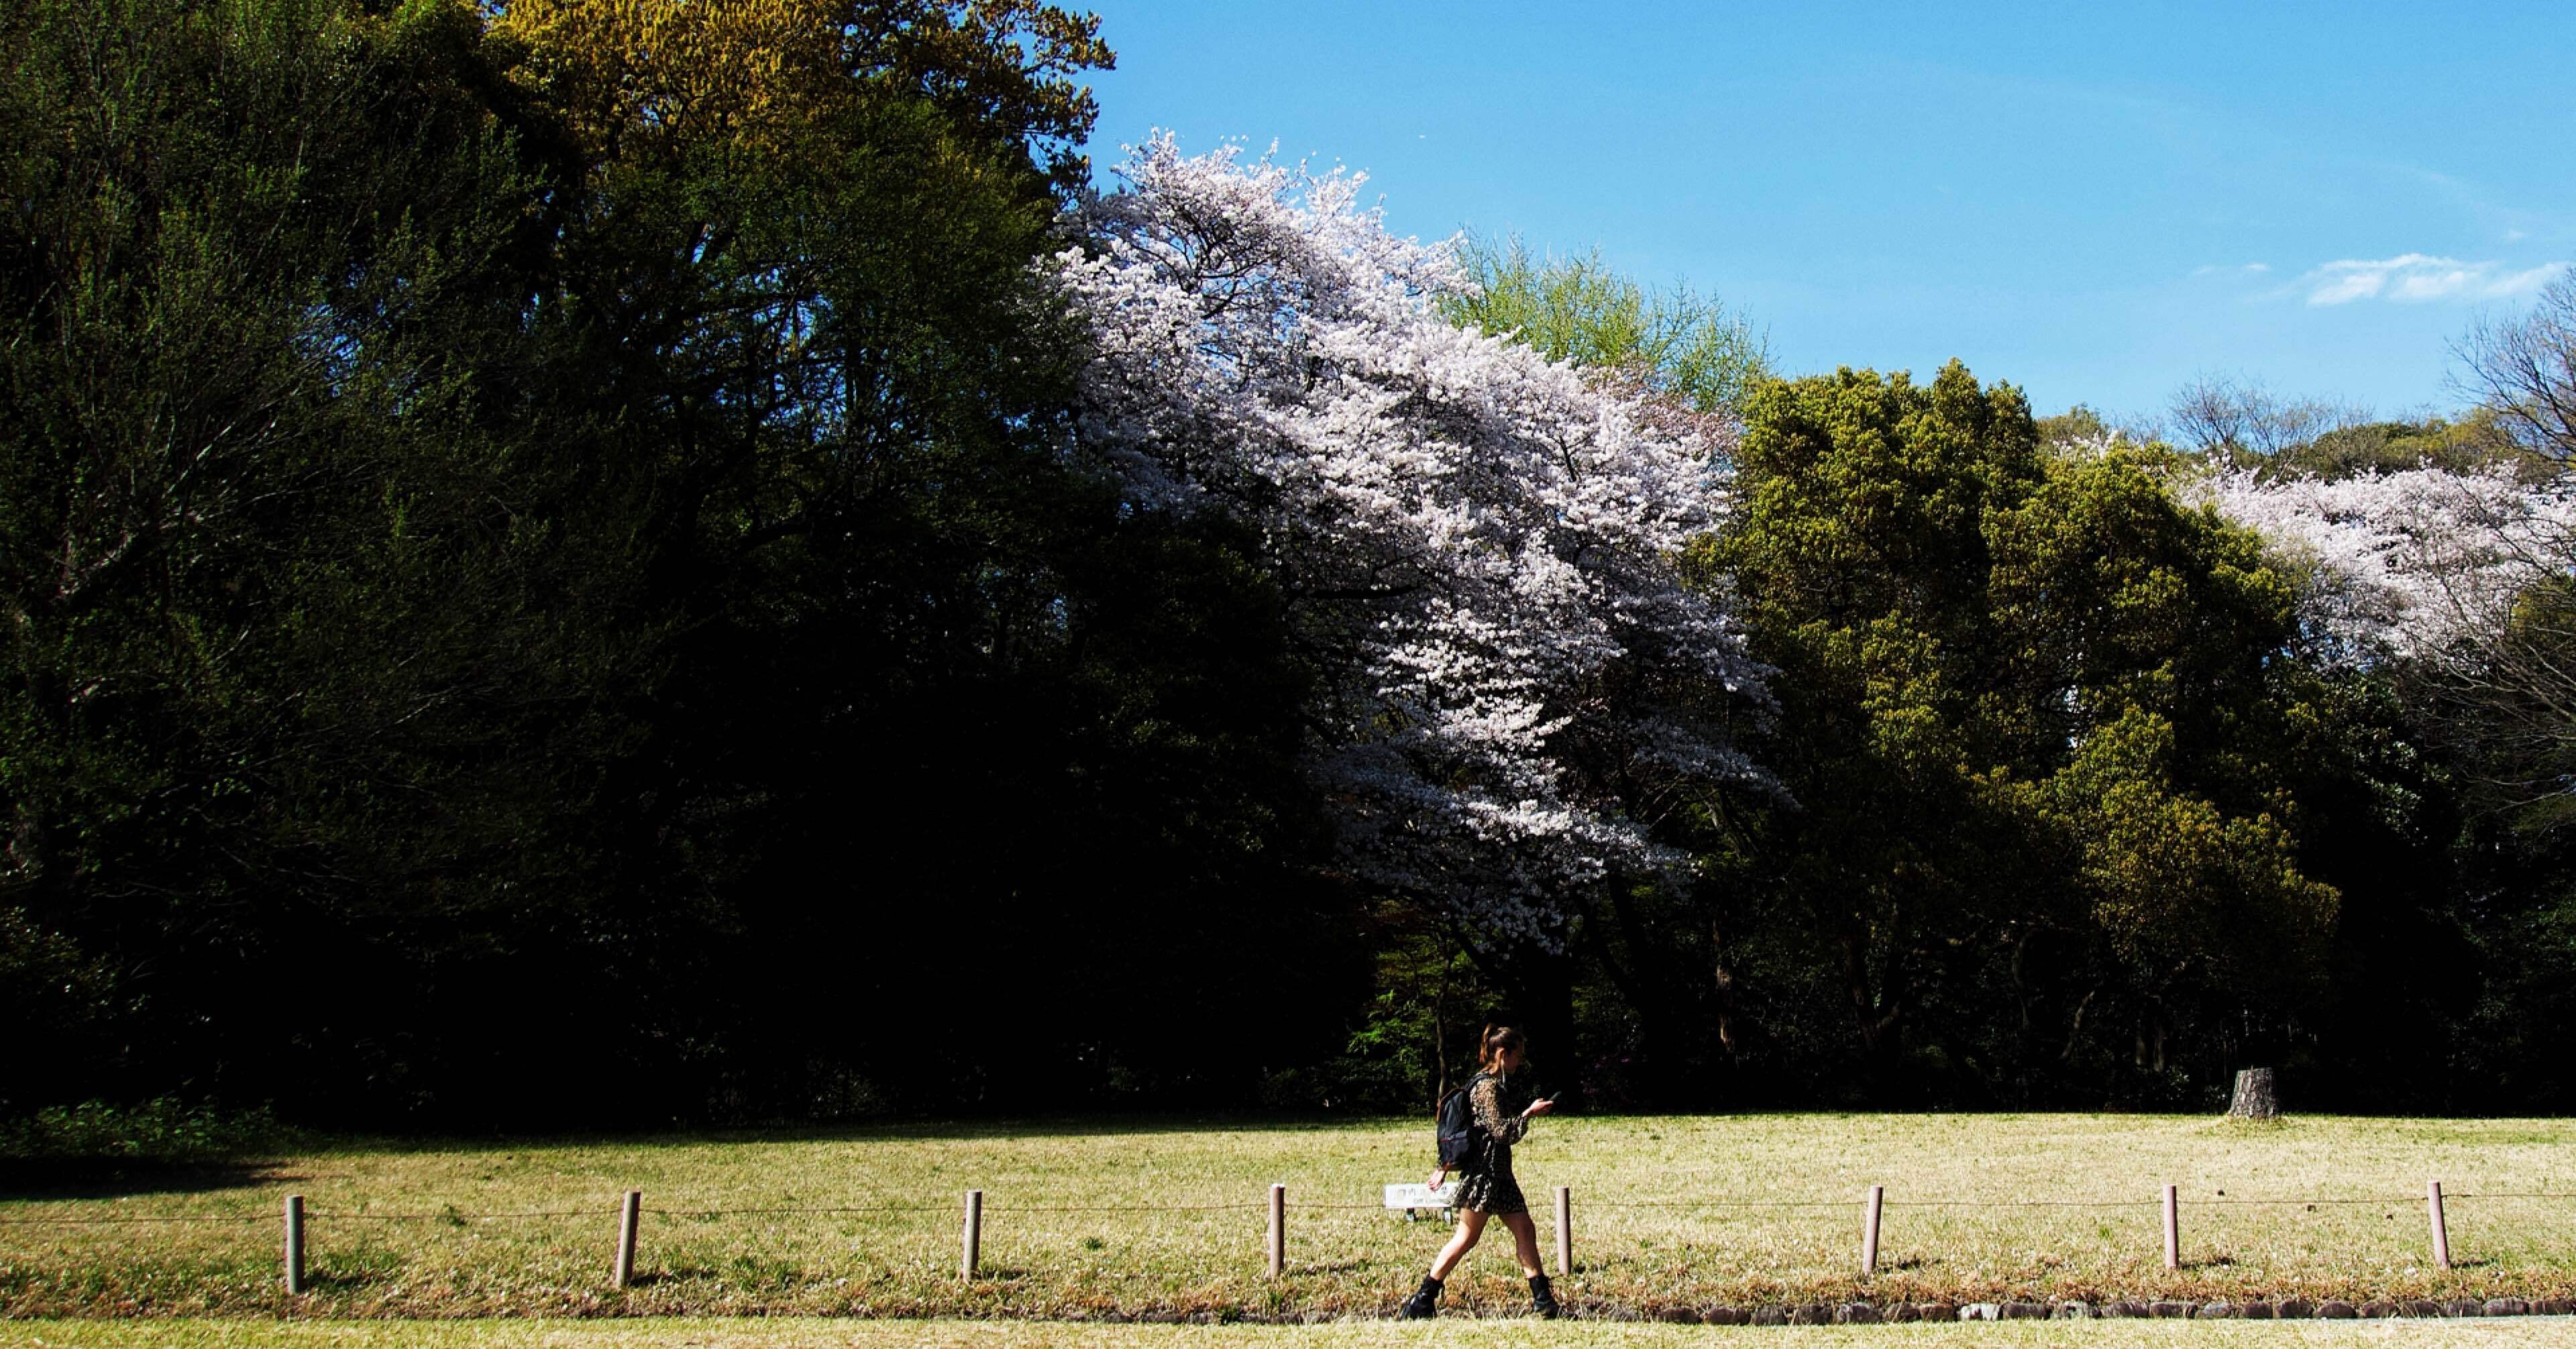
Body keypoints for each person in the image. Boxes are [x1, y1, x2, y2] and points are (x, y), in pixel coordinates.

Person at [1399, 1024, 1558, 1319]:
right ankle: (1422, 1300)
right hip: (1485, 1175)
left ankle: (1544, 1301)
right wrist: (1529, 1114)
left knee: (1525, 1230)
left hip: (1499, 1176)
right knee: (1466, 1237)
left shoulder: (1487, 1084)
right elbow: (1501, 1132)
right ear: (1502, 1054)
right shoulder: (1487, 1088)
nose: (1519, 1062)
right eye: (1517, 1055)